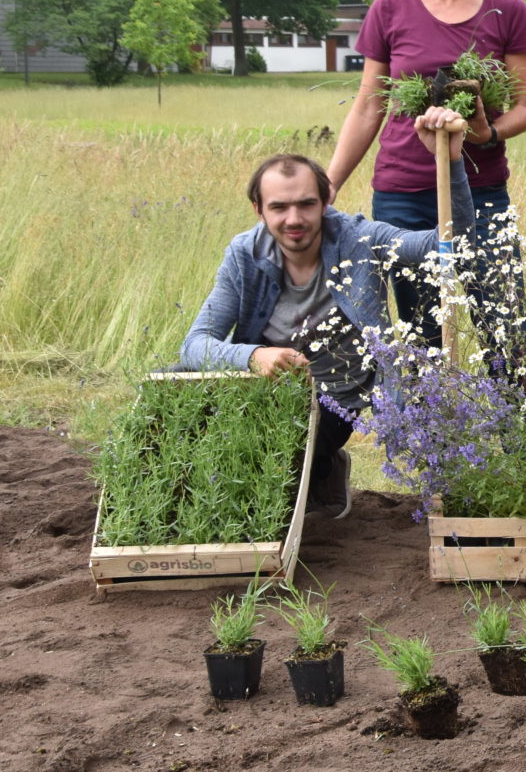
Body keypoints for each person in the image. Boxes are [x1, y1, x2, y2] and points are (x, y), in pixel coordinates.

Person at [181, 125, 471, 519]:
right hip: (259, 391)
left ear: (325, 200)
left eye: (306, 204)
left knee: (274, 464)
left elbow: (447, 247)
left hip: (334, 399)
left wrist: (450, 161)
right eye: (279, 208)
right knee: (173, 402)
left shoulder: (361, 238)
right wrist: (254, 356)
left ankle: (321, 465)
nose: (294, 219)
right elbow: (195, 344)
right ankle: (316, 469)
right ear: (258, 209)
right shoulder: (244, 254)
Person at [327, 0, 526, 360]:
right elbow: (368, 106)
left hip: (481, 192)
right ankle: (431, 413)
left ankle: (516, 411)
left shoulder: (507, 10)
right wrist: (331, 181)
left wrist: (488, 133)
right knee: (421, 336)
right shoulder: (388, 9)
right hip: (402, 196)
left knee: (504, 330)